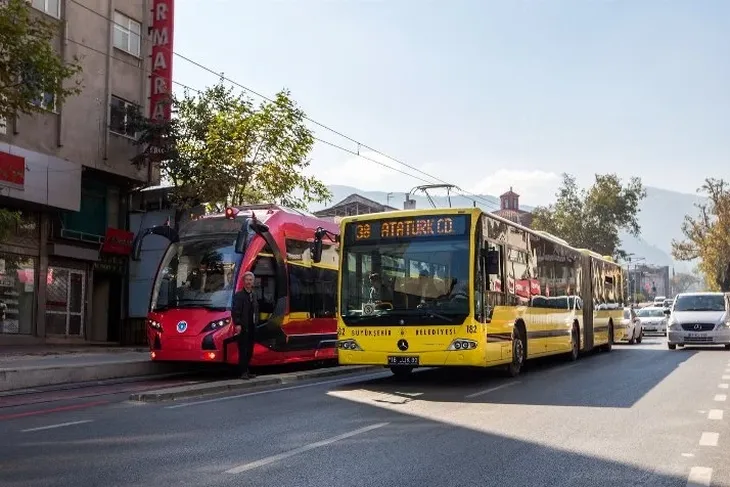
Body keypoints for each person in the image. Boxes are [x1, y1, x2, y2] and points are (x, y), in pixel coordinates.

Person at [231, 271, 258, 379]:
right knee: (243, 349)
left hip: (252, 326)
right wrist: (237, 323)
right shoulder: (239, 295)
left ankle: (247, 370)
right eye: (247, 280)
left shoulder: (254, 294)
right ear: (243, 281)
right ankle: (243, 372)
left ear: (253, 282)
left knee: (250, 350)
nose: (248, 282)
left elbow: (256, 309)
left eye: (250, 280)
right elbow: (235, 310)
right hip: (243, 326)